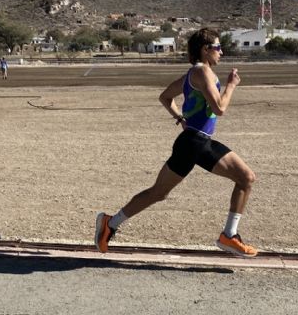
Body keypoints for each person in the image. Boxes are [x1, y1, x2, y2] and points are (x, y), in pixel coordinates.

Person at [95, 28, 258, 258]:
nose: (221, 52)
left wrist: (180, 118)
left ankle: (110, 223)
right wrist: (231, 85)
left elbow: (165, 97)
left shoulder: (190, 75)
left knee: (157, 193)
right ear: (206, 49)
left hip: (188, 142)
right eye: (218, 47)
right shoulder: (203, 73)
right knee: (246, 178)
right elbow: (219, 108)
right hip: (197, 142)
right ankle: (229, 236)